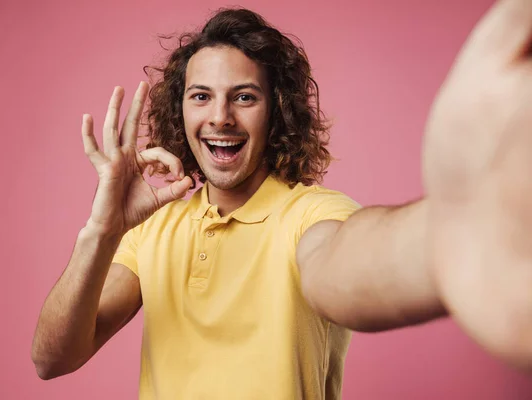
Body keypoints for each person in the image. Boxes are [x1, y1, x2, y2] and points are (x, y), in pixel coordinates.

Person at [32, 1, 532, 399]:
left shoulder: (311, 215)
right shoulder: (154, 226)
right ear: (180, 110)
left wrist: (446, 234)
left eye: (244, 97)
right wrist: (102, 231)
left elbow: (342, 263)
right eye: (201, 96)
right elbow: (52, 359)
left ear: (277, 113)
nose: (221, 117)